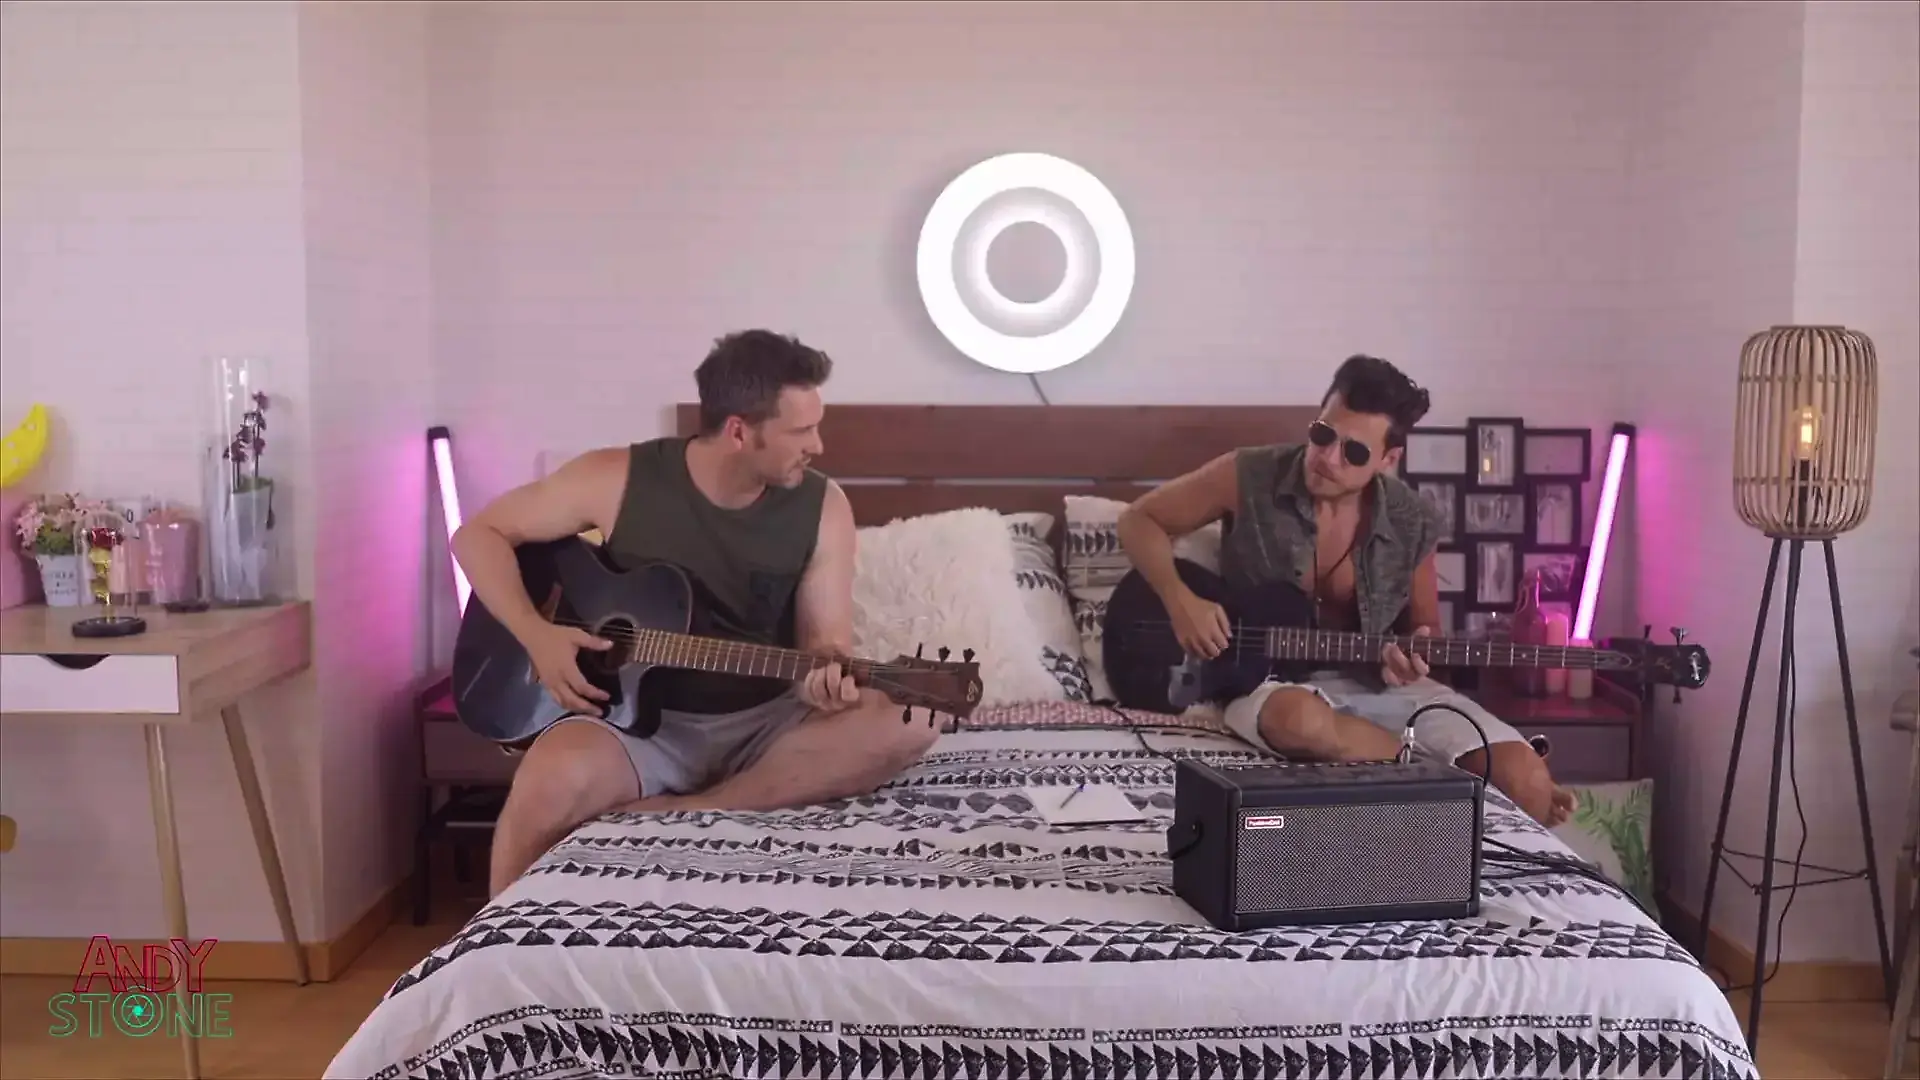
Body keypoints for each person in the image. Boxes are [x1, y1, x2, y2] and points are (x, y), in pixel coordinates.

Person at [452, 329, 941, 896]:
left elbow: (823, 642)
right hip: (635, 729)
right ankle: (492, 940)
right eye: (801, 430)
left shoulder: (823, 505)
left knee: (914, 718)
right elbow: (477, 536)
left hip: (766, 725)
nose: (818, 445)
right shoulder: (615, 478)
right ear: (739, 431)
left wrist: (824, 676)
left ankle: (701, 808)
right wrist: (536, 634)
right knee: (542, 784)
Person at [1115, 354, 1575, 827]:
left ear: (1388, 460)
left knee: (1524, 779)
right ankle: (1437, 785)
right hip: (1266, 679)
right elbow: (1138, 519)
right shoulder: (1248, 475)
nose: (1328, 458)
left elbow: (1425, 631)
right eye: (1322, 435)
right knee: (1298, 720)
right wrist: (1179, 600)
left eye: (1353, 452)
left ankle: (1421, 775)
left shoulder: (1413, 520)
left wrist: (1413, 655)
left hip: (1374, 681)